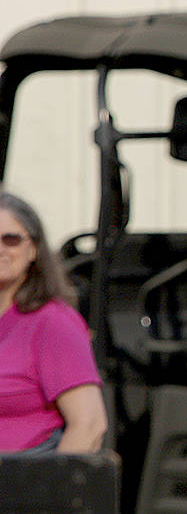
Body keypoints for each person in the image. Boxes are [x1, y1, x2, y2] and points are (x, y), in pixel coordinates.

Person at [0, 191, 107, 454]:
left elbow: (89, 425)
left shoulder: (52, 323)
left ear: (34, 248)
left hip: (22, 485)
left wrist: (51, 491)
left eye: (11, 239)